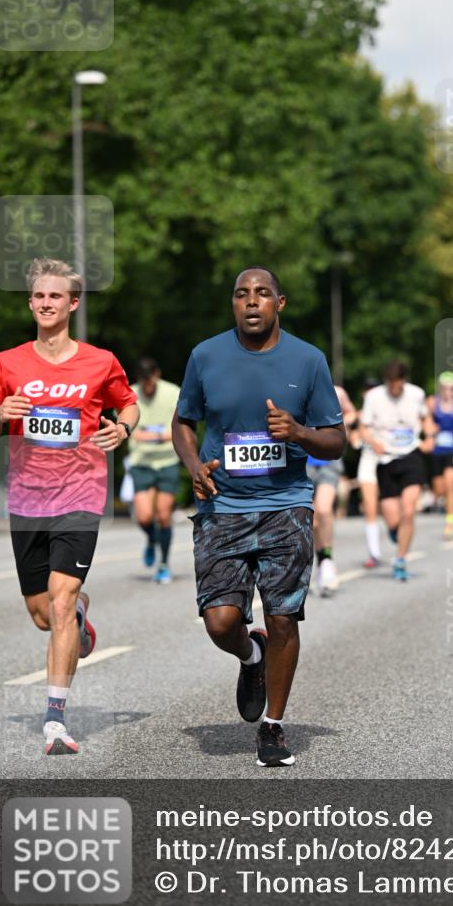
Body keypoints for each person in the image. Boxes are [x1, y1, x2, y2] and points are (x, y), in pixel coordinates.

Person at [172, 267, 344, 767]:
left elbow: (336, 441)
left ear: (279, 304)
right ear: (234, 304)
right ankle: (251, 657)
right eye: (242, 294)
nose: (251, 302)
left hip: (285, 505)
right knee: (220, 621)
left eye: (262, 294)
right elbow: (184, 421)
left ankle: (273, 726)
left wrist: (299, 433)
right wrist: (191, 464)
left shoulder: (307, 360)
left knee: (284, 615)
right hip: (221, 506)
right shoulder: (206, 355)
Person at [0, 258, 138, 755]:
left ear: (73, 303)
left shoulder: (99, 361)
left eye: (55, 296)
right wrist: (0, 414)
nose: (46, 303)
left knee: (61, 601)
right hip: (26, 498)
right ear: (32, 303)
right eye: (39, 296)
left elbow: (126, 402)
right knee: (43, 614)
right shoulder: (8, 362)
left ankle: (55, 719)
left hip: (81, 494)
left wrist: (123, 427)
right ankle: (79, 618)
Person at [360, 360, 436, 581]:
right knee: (393, 520)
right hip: (385, 459)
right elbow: (363, 428)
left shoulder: (416, 394)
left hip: (411, 455)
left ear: (405, 381)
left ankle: (400, 559)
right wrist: (374, 443)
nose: (395, 389)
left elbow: (426, 419)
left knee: (409, 510)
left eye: (399, 384)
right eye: (391, 385)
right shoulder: (374, 397)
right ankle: (398, 533)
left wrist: (430, 437)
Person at [129, 358, 182, 583]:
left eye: (150, 381)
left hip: (167, 461)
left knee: (163, 514)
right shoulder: (130, 394)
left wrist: (152, 435)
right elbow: (131, 431)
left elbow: (178, 429)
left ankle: (164, 563)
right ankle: (151, 540)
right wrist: (161, 434)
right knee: (143, 517)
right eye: (143, 382)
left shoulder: (173, 393)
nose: (147, 387)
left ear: (157, 375)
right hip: (141, 462)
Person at [306, 385, 357, 596]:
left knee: (324, 510)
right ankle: (320, 561)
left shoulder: (337, 391)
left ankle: (327, 561)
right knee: (312, 518)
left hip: (329, 460)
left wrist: (346, 424)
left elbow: (352, 412)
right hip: (304, 461)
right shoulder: (298, 388)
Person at [427, 372, 453, 538]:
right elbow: (425, 421)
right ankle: (445, 506)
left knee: (450, 484)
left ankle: (449, 524)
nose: (448, 391)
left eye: (451, 388)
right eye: (445, 388)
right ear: (440, 388)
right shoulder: (432, 403)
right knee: (439, 489)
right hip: (437, 451)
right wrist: (430, 430)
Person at [355, 377, 383, 567]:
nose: (369, 392)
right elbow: (355, 439)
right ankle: (374, 552)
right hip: (368, 460)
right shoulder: (360, 414)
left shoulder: (385, 410)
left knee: (390, 507)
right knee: (370, 506)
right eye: (367, 389)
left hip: (387, 460)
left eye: (373, 388)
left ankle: (395, 530)